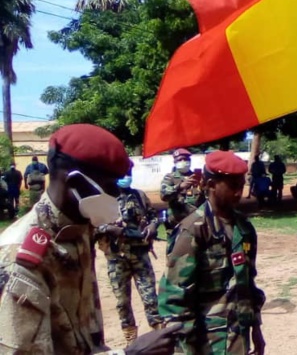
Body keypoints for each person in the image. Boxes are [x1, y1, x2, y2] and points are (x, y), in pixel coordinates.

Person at [0, 123, 179, 354]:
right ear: (75, 183)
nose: (117, 195)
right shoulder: (19, 260)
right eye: (110, 186)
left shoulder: (79, 229)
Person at [159, 150, 266, 355]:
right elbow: (176, 298)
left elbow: (248, 286)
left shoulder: (244, 229)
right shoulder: (193, 230)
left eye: (241, 185)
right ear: (209, 185)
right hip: (206, 341)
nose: (238, 193)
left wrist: (256, 330)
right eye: (232, 186)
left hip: (238, 338)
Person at [96, 170, 163, 345]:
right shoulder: (103, 200)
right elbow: (93, 225)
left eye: (128, 173)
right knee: (122, 302)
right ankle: (131, 341)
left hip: (140, 254)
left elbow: (153, 215)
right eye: (122, 173)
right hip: (117, 258)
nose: (125, 176)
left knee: (150, 298)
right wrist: (109, 229)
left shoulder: (139, 195)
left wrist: (153, 225)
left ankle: (158, 337)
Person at [160, 148, 204, 232]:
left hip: (196, 222)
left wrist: (203, 188)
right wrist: (180, 187)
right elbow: (164, 195)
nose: (183, 161)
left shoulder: (197, 177)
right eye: (180, 159)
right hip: (176, 223)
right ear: (175, 162)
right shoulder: (170, 177)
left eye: (186, 159)